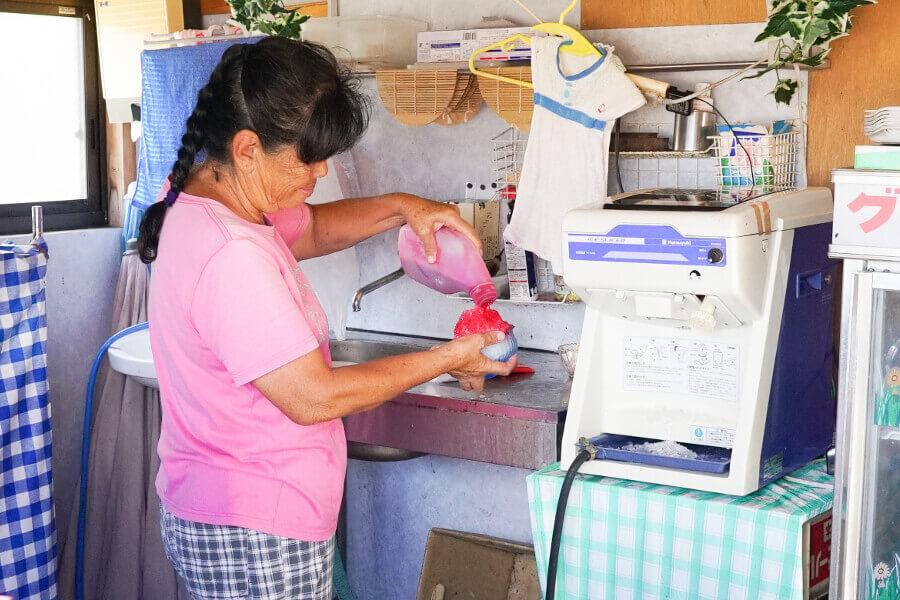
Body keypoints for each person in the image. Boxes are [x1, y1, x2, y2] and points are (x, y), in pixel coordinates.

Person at [138, 37, 516, 600]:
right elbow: (312, 397)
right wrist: (451, 356)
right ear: (246, 149)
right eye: (307, 156)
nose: (320, 170)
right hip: (254, 531)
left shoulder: (206, 200)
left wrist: (404, 206)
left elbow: (310, 229)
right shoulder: (231, 254)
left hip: (233, 515)